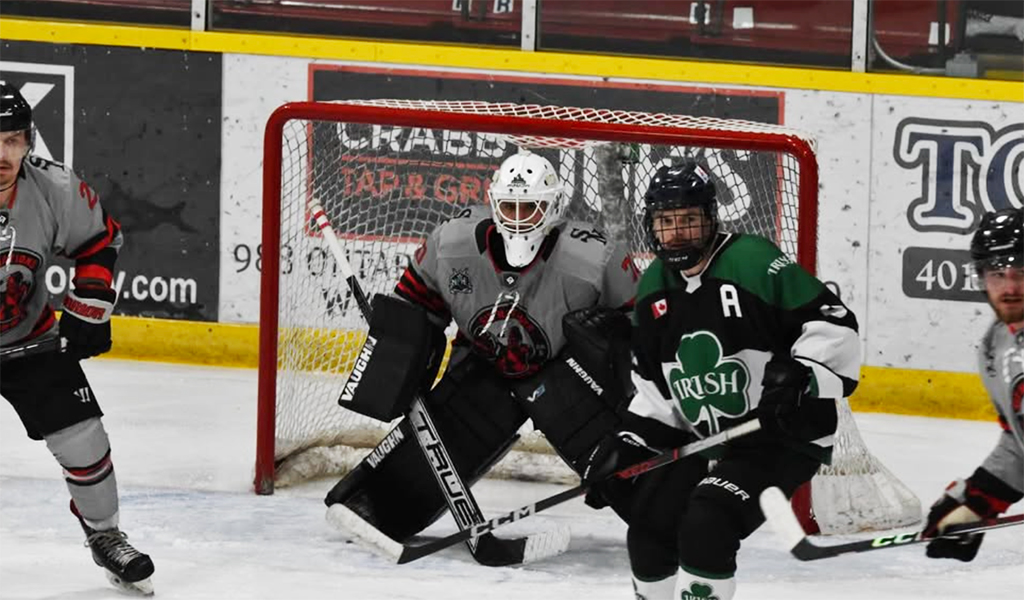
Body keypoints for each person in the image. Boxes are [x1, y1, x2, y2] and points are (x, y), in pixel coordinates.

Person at [324, 148, 639, 542]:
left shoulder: (594, 257)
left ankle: (663, 506)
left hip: (564, 378)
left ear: (553, 207)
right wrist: (400, 353)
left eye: (531, 208)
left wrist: (612, 362)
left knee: (619, 465)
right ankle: (375, 501)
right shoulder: (451, 245)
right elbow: (415, 308)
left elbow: (640, 330)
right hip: (481, 368)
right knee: (429, 454)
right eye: (510, 206)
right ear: (492, 203)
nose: (519, 219)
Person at [583, 161, 861, 600]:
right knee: (649, 523)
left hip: (779, 435)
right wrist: (628, 444)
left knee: (707, 522)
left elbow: (836, 325)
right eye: (666, 222)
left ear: (711, 218)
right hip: (705, 441)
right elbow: (656, 390)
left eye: (689, 221)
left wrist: (801, 373)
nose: (677, 234)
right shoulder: (655, 283)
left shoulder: (752, 260)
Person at [0, 82, 154, 594]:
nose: (2, 154)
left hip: (28, 338)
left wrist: (88, 309)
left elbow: (99, 239)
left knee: (83, 436)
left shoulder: (52, 188)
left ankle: (106, 537)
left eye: (13, 140)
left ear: (28, 141)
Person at [921, 207, 1022, 562]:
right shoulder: (996, 346)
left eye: (1022, 272)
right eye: (997, 274)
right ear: (981, 278)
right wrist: (979, 498)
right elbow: (1019, 441)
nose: (1010, 287)